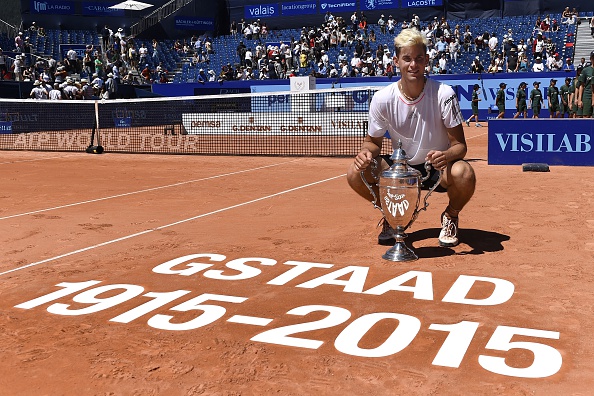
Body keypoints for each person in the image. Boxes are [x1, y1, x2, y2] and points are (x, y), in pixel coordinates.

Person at [346, 28, 476, 248]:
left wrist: (445, 155)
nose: (413, 65)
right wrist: (365, 153)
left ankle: (451, 215)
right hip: (401, 169)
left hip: (438, 168)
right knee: (354, 173)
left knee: (464, 173)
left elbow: (460, 146)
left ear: (426, 60)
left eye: (418, 58)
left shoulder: (444, 94)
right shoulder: (382, 99)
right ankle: (392, 215)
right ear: (396, 61)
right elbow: (372, 142)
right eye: (407, 59)